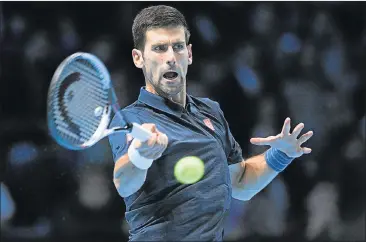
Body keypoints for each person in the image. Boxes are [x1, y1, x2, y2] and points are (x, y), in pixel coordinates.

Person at [108, 5, 314, 241]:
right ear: (138, 58)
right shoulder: (132, 120)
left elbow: (239, 182)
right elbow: (124, 183)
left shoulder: (211, 111)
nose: (171, 58)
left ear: (190, 53)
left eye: (178, 47)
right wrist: (140, 155)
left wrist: (280, 155)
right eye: (159, 49)